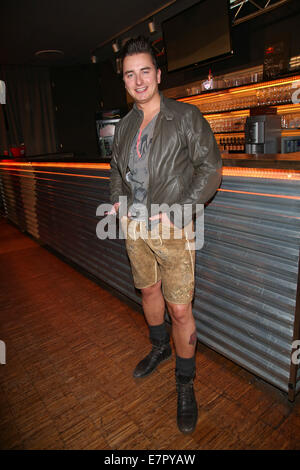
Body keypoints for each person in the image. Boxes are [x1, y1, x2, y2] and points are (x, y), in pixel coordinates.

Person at [109, 36, 222, 434]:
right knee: (148, 291)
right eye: (129, 74)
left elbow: (211, 168)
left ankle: (185, 383)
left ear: (157, 75)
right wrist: (119, 201)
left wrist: (184, 211)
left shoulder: (185, 117)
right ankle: (159, 348)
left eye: (144, 72)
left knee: (179, 309)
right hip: (135, 228)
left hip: (173, 228)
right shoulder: (123, 127)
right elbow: (116, 172)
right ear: (123, 81)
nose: (138, 81)